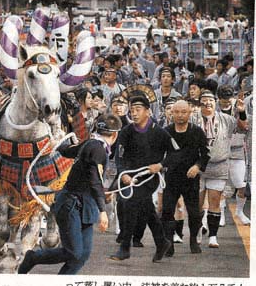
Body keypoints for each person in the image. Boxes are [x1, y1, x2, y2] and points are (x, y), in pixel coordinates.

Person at [18, 114, 122, 275]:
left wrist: (58, 144)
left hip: (86, 206)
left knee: (82, 255)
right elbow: (95, 181)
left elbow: (68, 151)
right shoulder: (97, 149)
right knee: (73, 252)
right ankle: (33, 257)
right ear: (115, 135)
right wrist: (103, 211)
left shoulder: (90, 144)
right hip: (71, 204)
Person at [110, 95, 172, 262]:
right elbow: (119, 157)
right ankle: (162, 242)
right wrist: (124, 174)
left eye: (138, 110)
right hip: (129, 176)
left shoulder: (160, 132)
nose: (134, 114)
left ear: (147, 111)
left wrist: (161, 165)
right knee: (146, 208)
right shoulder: (126, 132)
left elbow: (175, 153)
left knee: (131, 203)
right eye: (132, 110)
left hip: (148, 178)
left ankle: (124, 247)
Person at [198, 89, 247, 248]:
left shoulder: (226, 119)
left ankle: (213, 236)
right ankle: (197, 230)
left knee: (215, 201)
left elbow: (242, 127)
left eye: (210, 100)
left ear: (215, 102)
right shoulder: (193, 118)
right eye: (204, 100)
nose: (207, 102)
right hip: (197, 167)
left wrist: (242, 112)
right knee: (197, 204)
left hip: (219, 165)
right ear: (200, 103)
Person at [161, 100, 210, 256]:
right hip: (171, 177)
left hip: (190, 178)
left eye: (183, 112)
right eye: (176, 112)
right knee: (167, 211)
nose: (180, 115)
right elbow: (158, 153)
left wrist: (197, 166)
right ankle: (168, 243)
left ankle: (193, 240)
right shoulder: (166, 132)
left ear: (189, 113)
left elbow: (205, 154)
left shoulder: (197, 132)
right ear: (171, 113)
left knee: (194, 213)